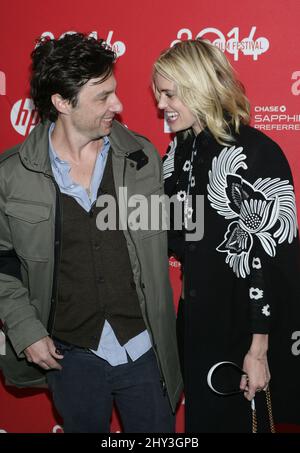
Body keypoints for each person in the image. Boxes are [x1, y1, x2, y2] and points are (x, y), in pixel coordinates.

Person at [0, 32, 182, 433]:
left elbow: (180, 231)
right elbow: (3, 263)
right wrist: (25, 329)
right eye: (102, 97)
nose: (117, 105)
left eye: (113, 92)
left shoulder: (141, 157)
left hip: (145, 351)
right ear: (62, 103)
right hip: (71, 355)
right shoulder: (12, 174)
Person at [152, 39, 300, 433]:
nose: (161, 104)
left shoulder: (256, 151)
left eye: (170, 93)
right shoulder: (177, 153)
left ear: (199, 86)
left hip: (243, 326)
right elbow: (175, 235)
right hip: (195, 323)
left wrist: (258, 349)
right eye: (158, 94)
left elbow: (273, 262)